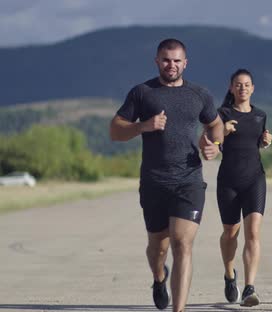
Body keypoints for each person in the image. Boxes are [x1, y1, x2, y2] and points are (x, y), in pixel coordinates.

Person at [109, 38, 224, 312]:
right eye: (165, 60)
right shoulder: (142, 93)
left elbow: (216, 124)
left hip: (189, 179)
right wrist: (143, 126)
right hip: (154, 182)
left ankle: (179, 309)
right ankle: (159, 277)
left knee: (182, 242)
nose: (171, 65)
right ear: (157, 61)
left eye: (176, 60)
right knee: (157, 249)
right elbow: (115, 130)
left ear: (185, 63)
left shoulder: (200, 95)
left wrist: (214, 146)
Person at [215, 69, 272, 307]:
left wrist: (265, 142)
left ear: (253, 88)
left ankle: (249, 287)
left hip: (254, 179)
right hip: (228, 180)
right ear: (231, 88)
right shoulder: (222, 114)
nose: (243, 88)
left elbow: (258, 142)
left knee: (253, 232)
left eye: (247, 85)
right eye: (238, 85)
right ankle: (230, 275)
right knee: (230, 232)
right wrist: (222, 132)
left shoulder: (260, 116)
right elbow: (210, 142)